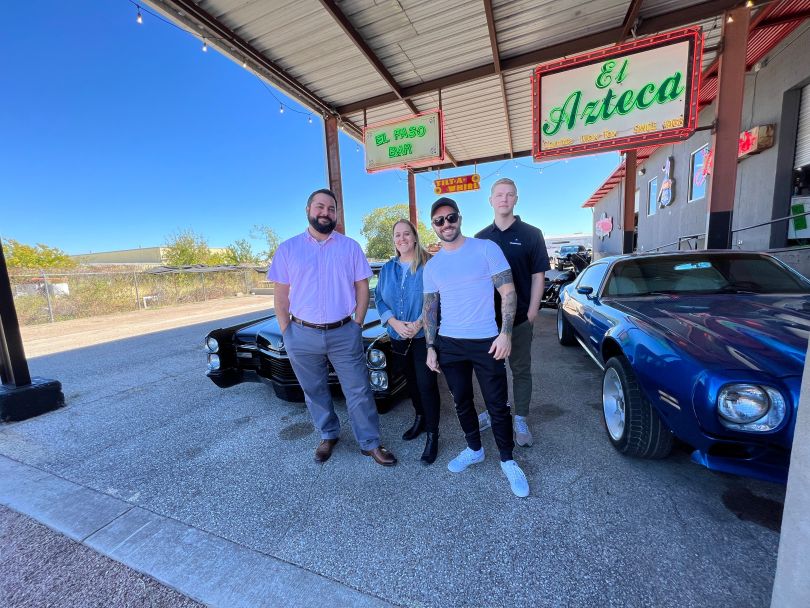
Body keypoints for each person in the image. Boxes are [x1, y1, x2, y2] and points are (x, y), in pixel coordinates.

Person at [268, 188, 397, 466]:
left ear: (336, 214)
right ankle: (328, 435)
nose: (325, 213)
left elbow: (362, 287)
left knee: (359, 390)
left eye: (331, 209)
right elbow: (281, 295)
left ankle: (370, 443)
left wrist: (357, 324)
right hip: (301, 334)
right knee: (314, 390)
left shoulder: (350, 247)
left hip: (343, 332)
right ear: (308, 210)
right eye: (320, 207)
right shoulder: (288, 249)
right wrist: (286, 331)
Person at [422, 197, 530, 497]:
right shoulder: (433, 265)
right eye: (439, 220)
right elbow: (429, 308)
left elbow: (508, 292)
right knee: (462, 401)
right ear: (433, 226)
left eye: (451, 217)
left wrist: (505, 333)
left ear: (460, 218)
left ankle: (508, 460)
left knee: (497, 405)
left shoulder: (486, 248)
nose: (446, 224)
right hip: (450, 344)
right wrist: (431, 346)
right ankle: (474, 448)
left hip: (486, 340)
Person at [475, 178, 550, 447]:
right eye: (499, 195)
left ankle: (520, 418)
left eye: (509, 195)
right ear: (491, 200)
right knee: (490, 373)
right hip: (488, 322)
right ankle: (495, 412)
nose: (504, 199)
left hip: (519, 319)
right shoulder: (481, 238)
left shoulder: (531, 234)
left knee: (520, 370)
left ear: (516, 199)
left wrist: (532, 312)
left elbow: (538, 276)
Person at [374, 219, 441, 464]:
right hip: (398, 336)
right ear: (394, 240)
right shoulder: (387, 269)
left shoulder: (429, 264)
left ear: (414, 237)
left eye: (406, 234)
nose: (401, 238)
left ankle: (433, 435)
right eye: (397, 235)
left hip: (424, 336)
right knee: (410, 383)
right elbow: (379, 299)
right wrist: (393, 323)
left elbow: (438, 298)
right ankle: (420, 418)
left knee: (426, 384)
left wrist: (419, 323)